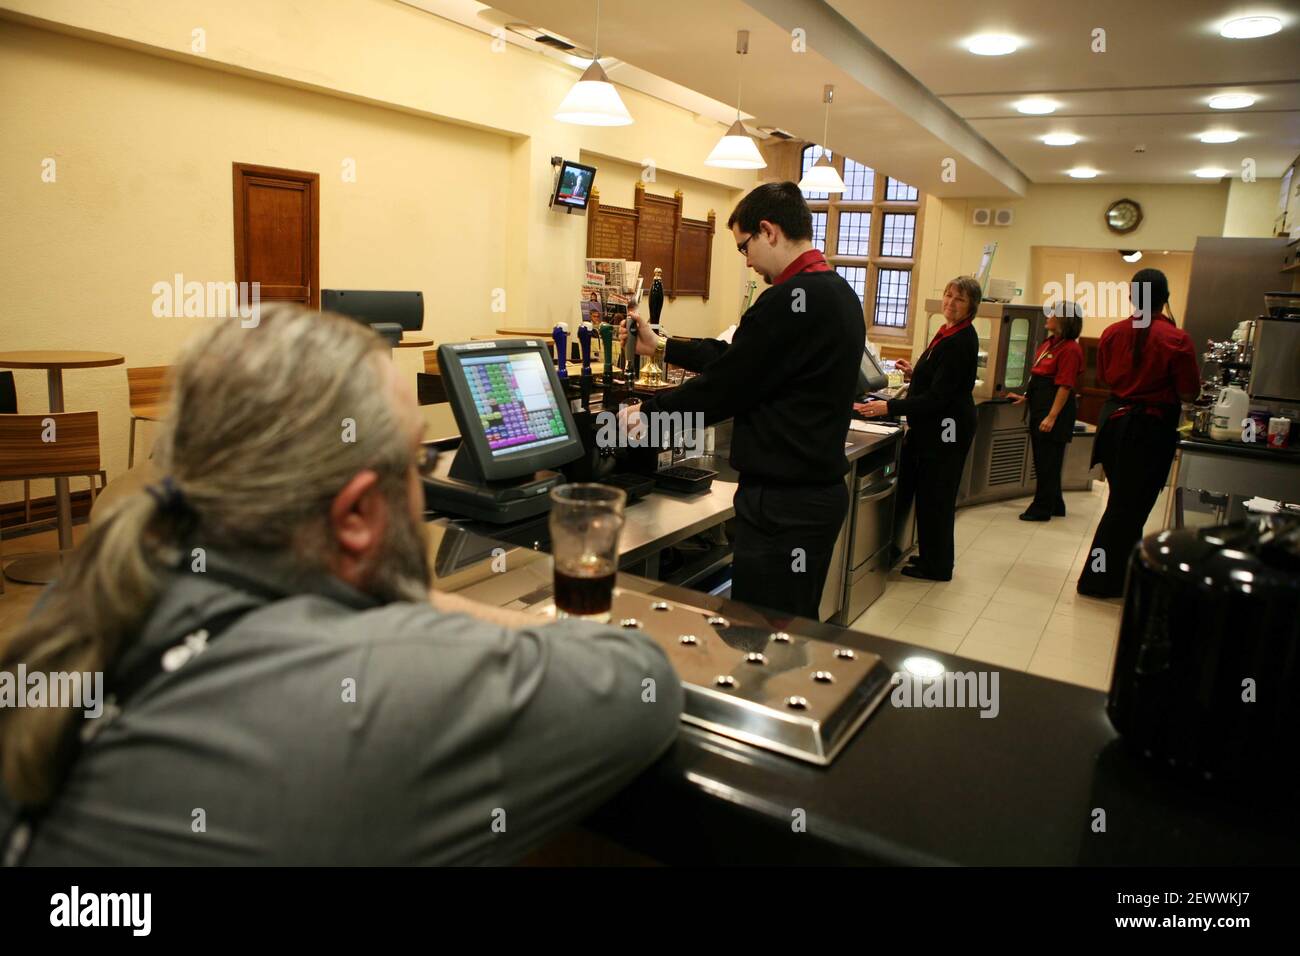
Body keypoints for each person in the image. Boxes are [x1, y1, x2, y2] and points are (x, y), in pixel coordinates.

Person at [0, 306, 682, 865]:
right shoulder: (378, 680)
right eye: (415, 460)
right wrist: (418, 599)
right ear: (356, 516)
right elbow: (641, 682)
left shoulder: (85, 600)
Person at [620, 181, 862, 620]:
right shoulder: (837, 292)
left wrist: (647, 417)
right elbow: (738, 359)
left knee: (761, 641)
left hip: (783, 508)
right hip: (812, 500)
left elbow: (725, 386)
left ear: (768, 231)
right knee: (788, 634)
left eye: (743, 247)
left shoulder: (788, 301)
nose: (748, 262)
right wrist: (660, 346)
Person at [1077, 268, 1199, 598]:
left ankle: (1122, 575)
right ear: (1165, 299)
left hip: (1114, 424)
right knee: (1127, 509)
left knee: (1124, 505)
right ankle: (1097, 578)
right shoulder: (1177, 339)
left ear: (1133, 296)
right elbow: (1189, 392)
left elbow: (1103, 377)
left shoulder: (1113, 333)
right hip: (1149, 430)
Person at [858, 276, 980, 581]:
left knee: (936, 497)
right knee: (929, 495)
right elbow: (939, 379)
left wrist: (889, 407)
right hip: (937, 426)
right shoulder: (947, 332)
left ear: (971, 306)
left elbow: (938, 398)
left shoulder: (960, 341)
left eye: (959, 299)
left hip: (946, 430)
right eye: (948, 295)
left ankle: (938, 566)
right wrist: (916, 372)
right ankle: (930, 558)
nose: (951, 303)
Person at [1007, 300, 1085, 522]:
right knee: (1047, 459)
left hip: (1055, 409)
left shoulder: (1070, 349)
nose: (1048, 316)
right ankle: (1055, 503)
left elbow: (1064, 385)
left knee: (1047, 461)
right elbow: (1040, 377)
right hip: (1041, 403)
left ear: (1064, 320)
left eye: (1054, 314)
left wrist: (1052, 416)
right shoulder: (1050, 343)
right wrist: (1026, 398)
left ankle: (1041, 507)